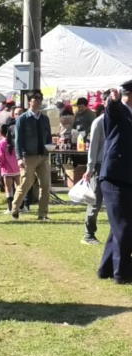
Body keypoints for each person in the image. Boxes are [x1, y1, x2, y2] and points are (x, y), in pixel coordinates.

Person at [97, 83, 132, 284]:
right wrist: (113, 100)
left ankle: (106, 268)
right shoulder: (119, 111)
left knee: (119, 226)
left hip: (127, 177)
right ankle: (122, 273)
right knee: (124, 227)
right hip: (113, 177)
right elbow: (112, 109)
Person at [11, 90, 51, 221]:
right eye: (35, 99)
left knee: (45, 185)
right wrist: (19, 158)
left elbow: (48, 136)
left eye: (40, 99)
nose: (38, 101)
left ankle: (43, 214)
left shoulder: (45, 118)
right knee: (26, 183)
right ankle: (15, 207)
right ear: (29, 102)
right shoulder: (22, 119)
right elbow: (18, 140)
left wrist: (50, 146)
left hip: (43, 156)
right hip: (28, 156)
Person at [81, 98, 107, 245]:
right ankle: (88, 234)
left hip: (116, 165)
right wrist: (90, 168)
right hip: (99, 165)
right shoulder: (99, 122)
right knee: (95, 201)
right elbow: (93, 147)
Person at [0, 123, 20, 214]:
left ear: (1, 133)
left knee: (8, 189)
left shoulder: (1, 143)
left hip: (6, 168)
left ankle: (10, 208)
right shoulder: (15, 141)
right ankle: (21, 206)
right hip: (17, 167)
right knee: (19, 188)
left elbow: (0, 157)